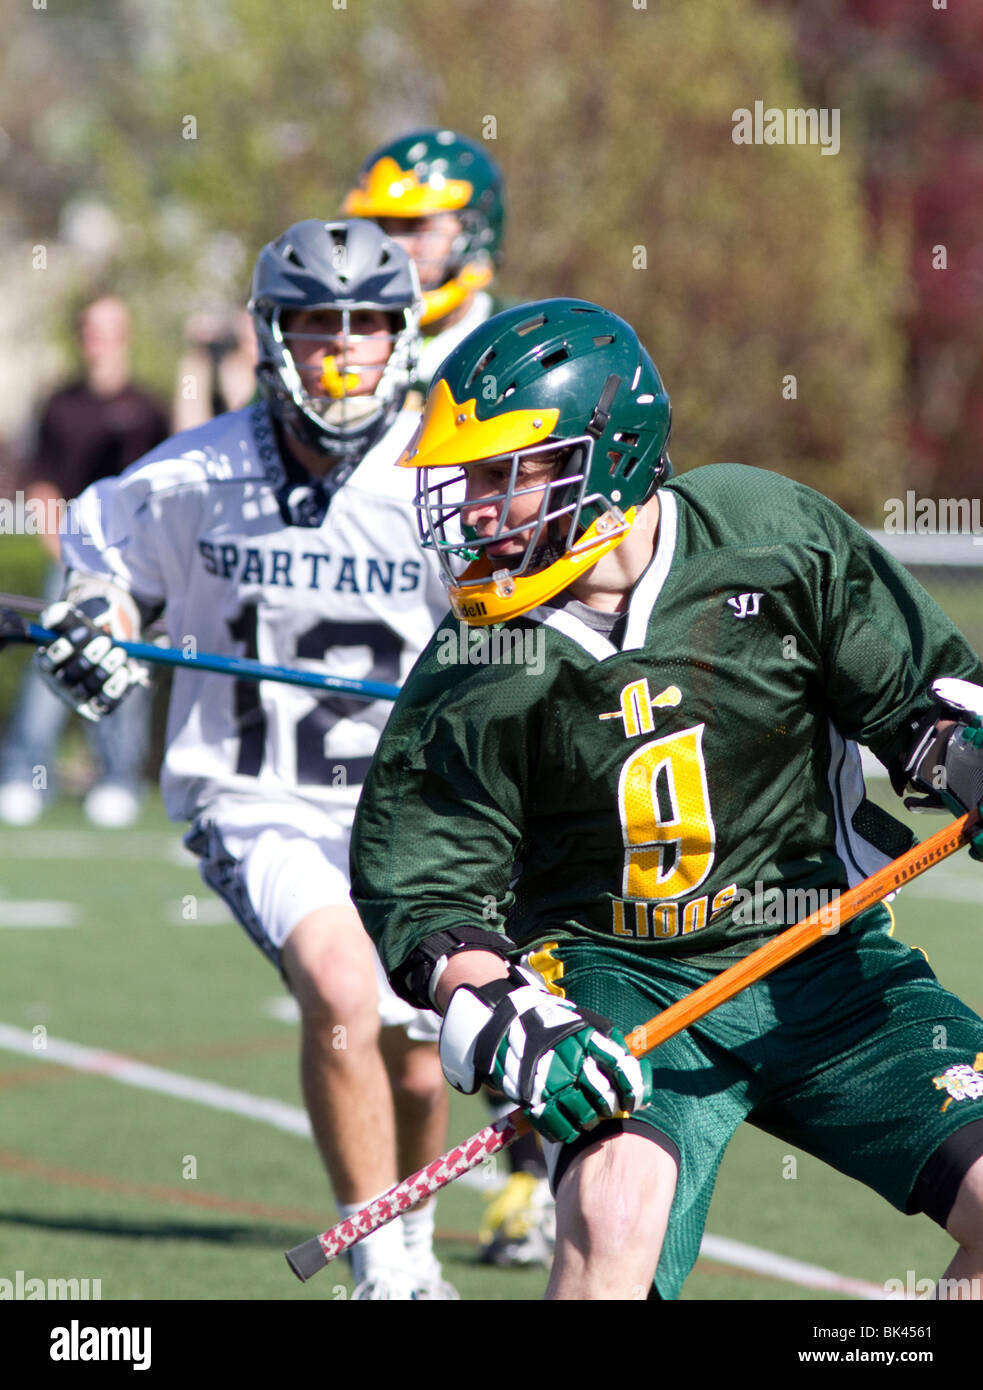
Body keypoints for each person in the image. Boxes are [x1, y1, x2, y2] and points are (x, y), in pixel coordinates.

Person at [349, 297, 983, 1300]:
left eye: (497, 474)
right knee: (612, 1219)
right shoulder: (477, 659)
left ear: (599, 461)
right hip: (615, 974)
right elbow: (425, 898)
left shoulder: (771, 537)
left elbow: (917, 706)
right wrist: (509, 1011)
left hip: (819, 954)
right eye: (463, 478)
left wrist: (967, 763)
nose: (470, 509)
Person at [34, 220, 456, 1299]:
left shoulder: (442, 480)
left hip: (406, 812)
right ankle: (382, 1266)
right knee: (337, 986)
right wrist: (96, 613)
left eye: (366, 323)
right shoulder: (201, 472)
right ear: (275, 337)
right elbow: (103, 556)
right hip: (254, 791)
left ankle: (412, 1230)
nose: (343, 347)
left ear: (401, 336)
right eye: (319, 323)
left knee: (420, 1055)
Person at [346, 128, 553, 1264]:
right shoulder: (358, 340)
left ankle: (541, 1169)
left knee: (529, 925)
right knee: (433, 940)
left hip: (509, 665)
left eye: (409, 226)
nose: (389, 249)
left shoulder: (505, 348)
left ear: (472, 232)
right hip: (401, 680)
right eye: (376, 226)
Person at [0, 294, 169, 827]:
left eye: (108, 329)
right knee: (50, 662)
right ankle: (25, 775)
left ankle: (117, 777)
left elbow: (162, 490)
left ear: (125, 335)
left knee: (118, 663)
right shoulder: (59, 404)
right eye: (89, 329)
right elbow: (44, 482)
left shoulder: (148, 407)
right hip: (68, 558)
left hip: (130, 565)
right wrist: (67, 549)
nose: (97, 339)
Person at [343, 129, 505, 394]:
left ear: (473, 232)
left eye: (415, 225)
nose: (393, 245)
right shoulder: (336, 333)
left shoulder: (521, 336)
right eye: (382, 226)